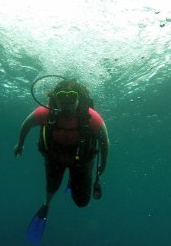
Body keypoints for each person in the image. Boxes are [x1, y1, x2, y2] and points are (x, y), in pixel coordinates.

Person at [13, 78, 109, 245]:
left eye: (72, 97)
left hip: (82, 162)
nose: (67, 102)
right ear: (55, 98)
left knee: (82, 202)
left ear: (79, 99)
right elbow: (27, 124)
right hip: (54, 159)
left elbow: (104, 141)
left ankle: (72, 181)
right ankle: (46, 204)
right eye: (62, 97)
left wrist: (103, 163)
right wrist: (19, 144)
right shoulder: (46, 113)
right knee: (51, 188)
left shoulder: (90, 117)